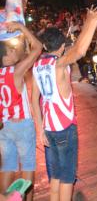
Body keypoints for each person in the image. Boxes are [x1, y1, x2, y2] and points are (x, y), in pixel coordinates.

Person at [31, 7, 97, 201]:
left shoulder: (37, 66)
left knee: (54, 177)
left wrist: (40, 130)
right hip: (64, 129)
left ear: (45, 46)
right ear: (62, 46)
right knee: (66, 179)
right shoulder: (59, 64)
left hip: (48, 129)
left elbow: (33, 100)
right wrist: (93, 21)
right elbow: (80, 50)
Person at [0, 22, 42, 201]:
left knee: (7, 166)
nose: (13, 52)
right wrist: (21, 28)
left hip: (4, 126)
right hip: (22, 124)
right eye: (10, 51)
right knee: (28, 167)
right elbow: (38, 48)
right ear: (5, 57)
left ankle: (6, 198)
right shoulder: (16, 71)